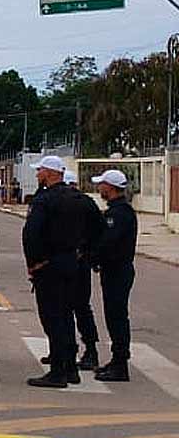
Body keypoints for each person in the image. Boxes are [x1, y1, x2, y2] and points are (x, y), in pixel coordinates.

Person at [23, 156, 85, 388]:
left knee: (52, 318)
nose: (37, 174)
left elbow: (32, 233)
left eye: (40, 171)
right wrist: (82, 252)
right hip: (70, 263)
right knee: (67, 316)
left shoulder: (44, 200)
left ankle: (57, 372)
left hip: (48, 266)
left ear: (49, 173)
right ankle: (71, 368)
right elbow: (97, 228)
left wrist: (34, 262)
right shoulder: (78, 199)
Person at [92, 169, 138, 382]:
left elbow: (108, 243)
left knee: (117, 317)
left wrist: (92, 256)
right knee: (113, 316)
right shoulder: (117, 211)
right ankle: (117, 360)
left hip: (118, 271)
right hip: (114, 269)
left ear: (110, 187)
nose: (98, 188)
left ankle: (120, 364)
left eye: (101, 184)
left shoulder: (118, 214)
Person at [65, 170, 105, 370]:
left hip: (69, 262)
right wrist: (90, 255)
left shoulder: (60, 203)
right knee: (81, 308)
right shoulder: (88, 203)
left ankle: (77, 351)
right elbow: (100, 231)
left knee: (68, 308)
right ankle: (87, 350)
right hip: (80, 262)